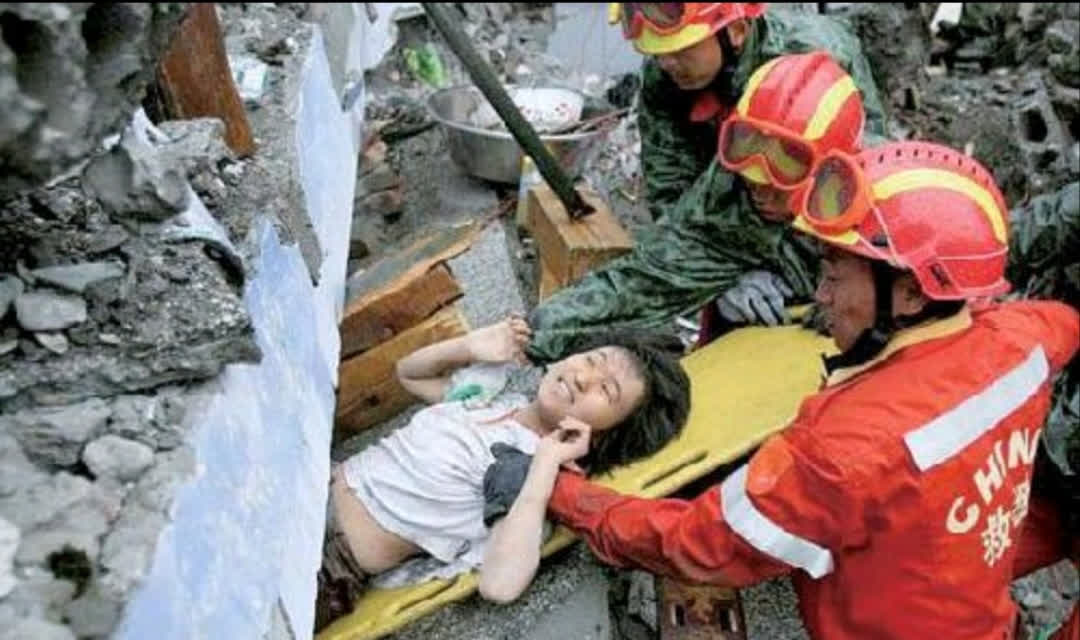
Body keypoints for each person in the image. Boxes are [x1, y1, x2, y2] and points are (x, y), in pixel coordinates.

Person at [497, 140, 1080, 638]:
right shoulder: (1022, 338)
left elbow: (699, 545)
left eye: (833, 274)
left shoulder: (842, 449)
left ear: (912, 294)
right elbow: (1062, 323)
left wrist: (564, 495)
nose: (821, 297)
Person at [527, 2, 888, 361]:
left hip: (823, 200)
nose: (668, 64)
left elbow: (860, 189)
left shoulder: (818, 61)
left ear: (735, 31)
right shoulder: (676, 92)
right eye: (659, 54)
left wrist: (831, 295)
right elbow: (670, 235)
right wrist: (529, 335)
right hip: (751, 196)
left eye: (682, 51)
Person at [313, 315, 691, 631]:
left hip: (323, 560)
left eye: (606, 391)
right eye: (591, 360)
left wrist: (545, 464)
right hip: (309, 488)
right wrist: (471, 346)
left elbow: (500, 584)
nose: (582, 378)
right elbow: (410, 374)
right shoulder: (493, 399)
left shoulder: (527, 471)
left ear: (608, 434)